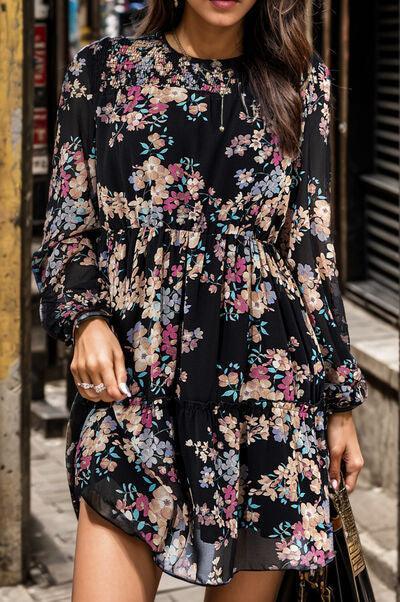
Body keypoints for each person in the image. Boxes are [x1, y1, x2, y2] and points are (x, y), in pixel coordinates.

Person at [31, 0, 368, 600]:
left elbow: (312, 252)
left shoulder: (299, 80)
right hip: (135, 388)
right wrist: (87, 321)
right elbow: (67, 232)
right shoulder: (102, 72)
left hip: (267, 393)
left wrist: (339, 404)